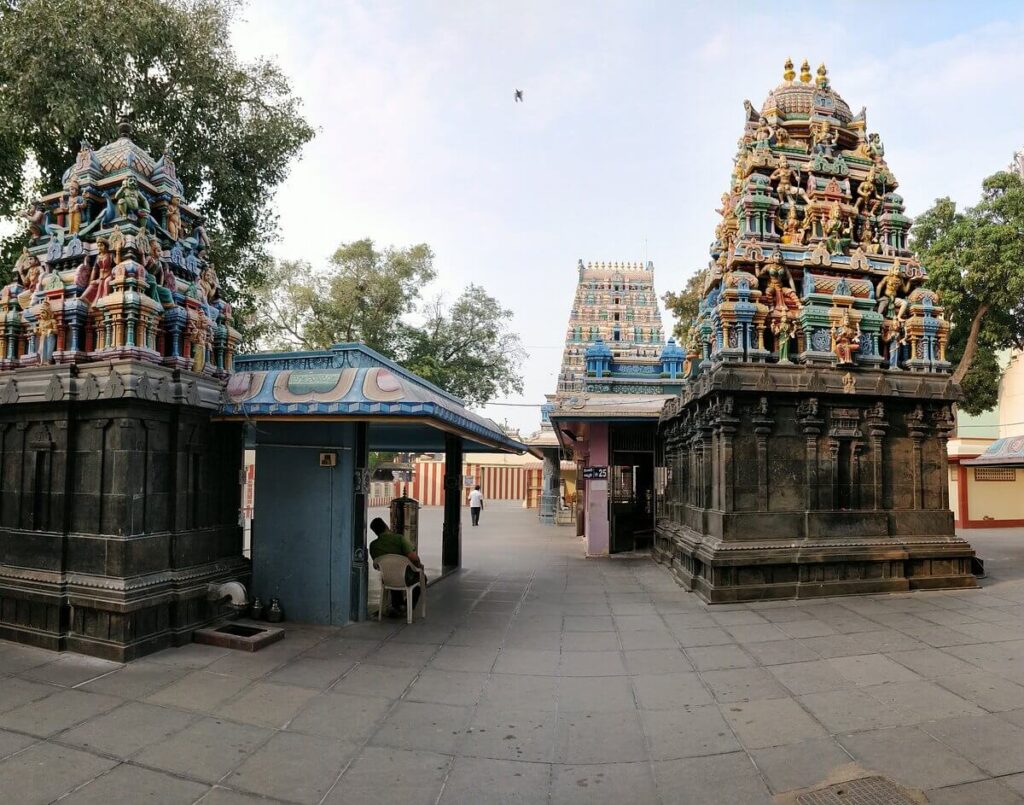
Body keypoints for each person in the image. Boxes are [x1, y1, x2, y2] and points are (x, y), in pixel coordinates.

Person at [368, 517, 424, 615]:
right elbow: (413, 558)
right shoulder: (399, 539)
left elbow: (376, 566)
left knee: (394, 574)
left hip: (387, 579)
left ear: (375, 532)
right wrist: (419, 567)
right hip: (404, 578)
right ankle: (406, 606)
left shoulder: (373, 546)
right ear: (386, 526)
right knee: (422, 578)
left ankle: (398, 605)